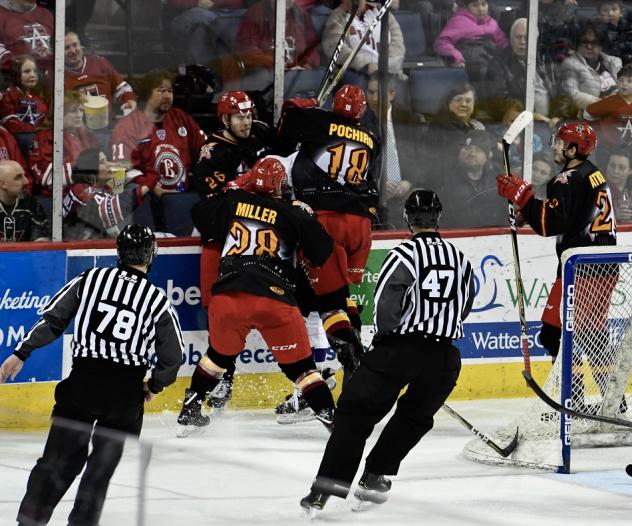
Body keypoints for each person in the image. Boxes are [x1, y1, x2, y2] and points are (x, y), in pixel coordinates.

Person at [300, 189, 475, 513]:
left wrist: (384, 340)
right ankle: (375, 477)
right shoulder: (460, 258)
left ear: (407, 218)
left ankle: (327, 488)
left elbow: (386, 307)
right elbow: (465, 304)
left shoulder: (403, 254)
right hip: (443, 358)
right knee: (413, 419)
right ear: (439, 218)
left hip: (397, 350)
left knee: (354, 414)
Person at [0, 224, 183, 525]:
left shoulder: (90, 279)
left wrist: (21, 352)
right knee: (99, 472)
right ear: (152, 254)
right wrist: (155, 385)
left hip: (83, 383)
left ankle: (30, 521)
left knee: (57, 462)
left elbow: (53, 320)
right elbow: (172, 357)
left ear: (119, 252)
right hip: (125, 395)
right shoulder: (158, 300)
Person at [175, 157, 336, 437]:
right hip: (273, 299)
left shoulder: (233, 201)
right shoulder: (293, 212)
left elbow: (200, 215)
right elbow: (322, 253)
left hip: (228, 297)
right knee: (302, 369)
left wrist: (235, 187)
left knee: (216, 357)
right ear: (280, 185)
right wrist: (309, 219)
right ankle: (332, 420)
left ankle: (190, 408)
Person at [276, 85, 380, 387]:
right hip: (360, 224)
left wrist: (305, 106)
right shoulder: (372, 138)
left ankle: (356, 367)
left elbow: (284, 133)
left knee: (330, 303)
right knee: (340, 296)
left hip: (325, 220)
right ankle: (356, 359)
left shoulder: (317, 121)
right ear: (361, 111)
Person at [496, 121, 617, 364]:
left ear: (572, 150)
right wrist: (530, 211)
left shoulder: (567, 179)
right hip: (604, 266)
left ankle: (571, 396)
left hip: (580, 269)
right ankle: (611, 400)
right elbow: (570, 215)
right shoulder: (592, 173)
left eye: (560, 142)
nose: (555, 146)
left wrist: (524, 197)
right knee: (589, 334)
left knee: (554, 334)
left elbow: (549, 224)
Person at [192, 90, 273, 410]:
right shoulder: (212, 151)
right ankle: (224, 375)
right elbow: (218, 196)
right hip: (220, 235)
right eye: (239, 116)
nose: (246, 121)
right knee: (219, 308)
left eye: (249, 115)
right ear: (225, 119)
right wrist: (254, 178)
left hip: (255, 237)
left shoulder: (259, 138)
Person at [110, 70, 206, 227]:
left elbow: (205, 151)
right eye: (161, 91)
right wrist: (153, 187)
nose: (167, 96)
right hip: (148, 198)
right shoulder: (128, 126)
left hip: (182, 197)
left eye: (170, 91)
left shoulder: (181, 118)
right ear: (147, 94)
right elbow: (120, 171)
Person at [364, 72, 419, 228]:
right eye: (370, 92)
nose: (374, 98)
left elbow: (421, 157)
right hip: (374, 194)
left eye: (379, 93)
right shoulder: (360, 123)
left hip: (407, 189)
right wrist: (378, 183)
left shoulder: (409, 118)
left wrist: (408, 182)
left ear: (392, 94)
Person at [226, 0, 320, 89]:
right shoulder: (255, 14)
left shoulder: (302, 15)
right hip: (267, 73)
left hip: (295, 73)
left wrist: (305, 66)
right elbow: (246, 50)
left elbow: (312, 50)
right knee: (261, 77)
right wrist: (275, 64)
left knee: (315, 76)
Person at [63, 148, 151, 240]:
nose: (109, 165)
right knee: (136, 190)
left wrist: (119, 167)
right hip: (75, 248)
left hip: (95, 246)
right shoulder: (79, 190)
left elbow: (123, 180)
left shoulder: (104, 188)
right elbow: (116, 206)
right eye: (102, 162)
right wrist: (148, 185)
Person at [28, 90, 98, 195]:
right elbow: (47, 177)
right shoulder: (46, 137)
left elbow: (99, 165)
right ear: (60, 112)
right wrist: (82, 171)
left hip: (90, 192)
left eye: (81, 110)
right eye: (73, 111)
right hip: (61, 198)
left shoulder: (86, 136)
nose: (79, 115)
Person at [322, 0, 406, 79]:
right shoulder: (336, 18)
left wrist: (385, 68)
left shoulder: (383, 13)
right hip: (360, 74)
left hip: (389, 73)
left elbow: (398, 48)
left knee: (399, 85)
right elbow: (338, 51)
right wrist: (366, 66)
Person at [439, 129, 504, 228]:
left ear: (488, 156)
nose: (472, 153)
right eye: (467, 148)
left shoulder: (498, 180)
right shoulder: (443, 179)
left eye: (478, 150)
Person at [433, 0, 508, 85]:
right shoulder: (458, 21)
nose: (481, 9)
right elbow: (441, 43)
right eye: (475, 5)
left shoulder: (492, 23)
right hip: (471, 63)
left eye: (484, 4)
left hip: (491, 59)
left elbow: (503, 43)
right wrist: (457, 57)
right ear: (467, 7)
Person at [64, 31, 137, 117]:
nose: (73, 50)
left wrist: (129, 100)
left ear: (81, 45)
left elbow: (122, 89)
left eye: (75, 45)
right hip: (76, 128)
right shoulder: (57, 74)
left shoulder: (100, 63)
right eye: (66, 48)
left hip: (108, 126)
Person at [561, 21, 622, 111]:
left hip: (616, 113)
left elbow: (626, 87)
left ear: (601, 45)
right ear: (578, 44)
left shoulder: (614, 62)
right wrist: (602, 105)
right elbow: (572, 93)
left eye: (594, 42)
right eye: (584, 42)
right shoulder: (570, 64)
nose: (589, 46)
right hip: (589, 115)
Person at [0, 54, 48, 153]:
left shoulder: (38, 97)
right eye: (27, 71)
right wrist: (34, 130)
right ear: (17, 74)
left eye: (35, 71)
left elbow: (44, 118)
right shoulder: (10, 95)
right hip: (20, 142)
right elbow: (10, 123)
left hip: (38, 138)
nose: (33, 75)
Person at [584, 63, 632, 148]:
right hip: (610, 149)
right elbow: (587, 113)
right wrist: (600, 130)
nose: (624, 84)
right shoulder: (609, 102)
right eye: (621, 80)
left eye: (629, 81)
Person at [0, 0, 53, 74]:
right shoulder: (2, 14)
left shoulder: (46, 14)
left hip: (52, 75)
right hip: (18, 77)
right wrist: (15, 64)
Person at [0, 159, 48, 241]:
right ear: (3, 184)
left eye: (24, 175)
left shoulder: (31, 204)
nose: (26, 182)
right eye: (18, 177)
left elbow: (41, 242)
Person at [603, 146, 632, 224]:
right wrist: (614, 216)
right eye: (612, 166)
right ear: (607, 166)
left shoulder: (629, 192)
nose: (615, 171)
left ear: (630, 171)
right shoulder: (595, 191)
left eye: (621, 168)